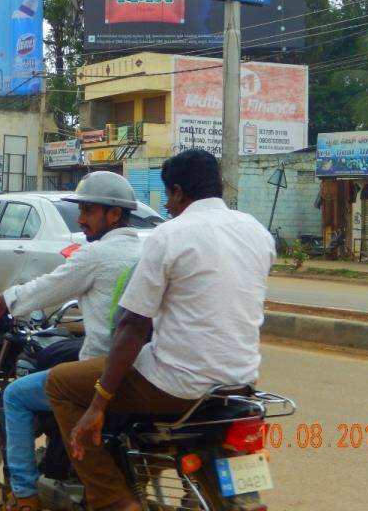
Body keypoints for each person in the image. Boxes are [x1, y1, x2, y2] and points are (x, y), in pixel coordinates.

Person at [45, 150, 276, 511]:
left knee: (59, 382)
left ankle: (113, 499)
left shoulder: (168, 235)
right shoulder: (257, 233)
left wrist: (99, 401)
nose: (167, 205)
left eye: (168, 196)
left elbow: (134, 325)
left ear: (180, 192)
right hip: (239, 381)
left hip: (177, 385)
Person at [0, 171, 146, 511]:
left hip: (101, 368)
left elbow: (47, 288)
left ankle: (24, 496)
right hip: (141, 368)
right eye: (80, 211)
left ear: (114, 214)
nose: (81, 219)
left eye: (88, 211)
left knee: (17, 395)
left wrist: (2, 300)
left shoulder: (96, 255)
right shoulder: (143, 252)